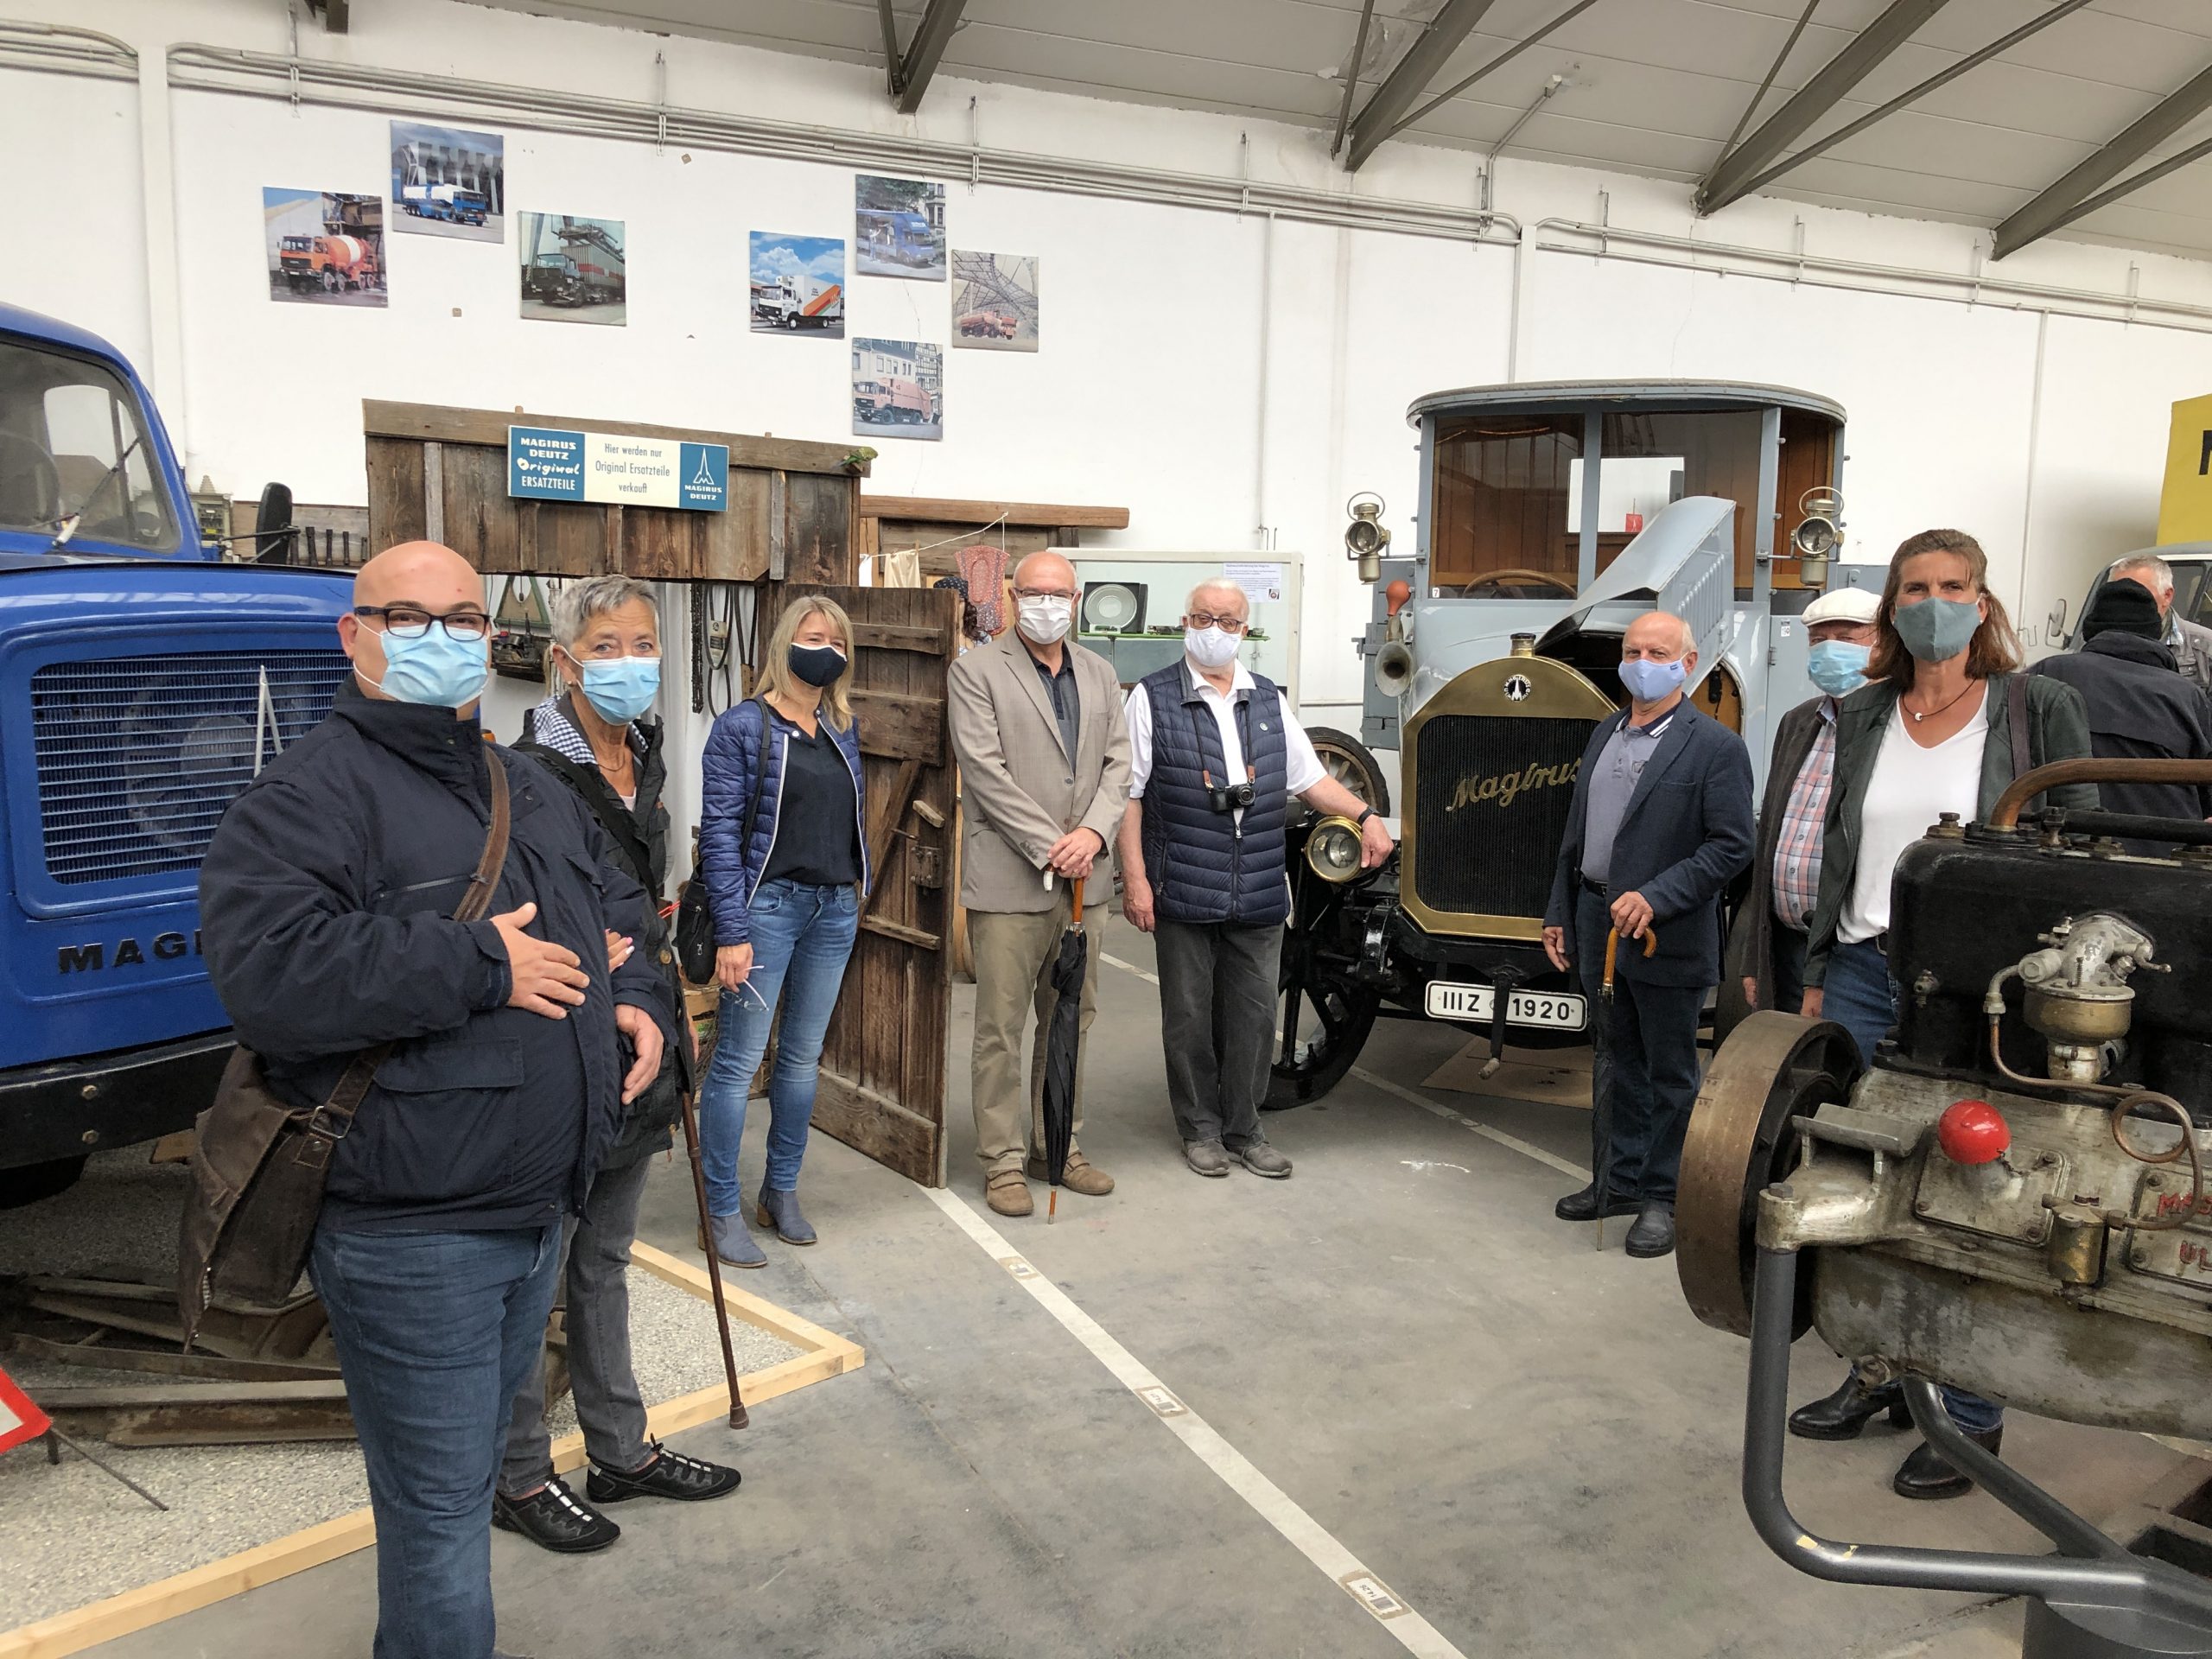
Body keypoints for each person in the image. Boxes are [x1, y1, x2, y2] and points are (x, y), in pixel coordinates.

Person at [199, 542, 678, 1659]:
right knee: (439, 1532)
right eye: (408, 617)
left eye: (463, 620)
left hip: (532, 1215)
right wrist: (478, 967)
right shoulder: (306, 797)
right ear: (352, 634)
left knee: (462, 1490)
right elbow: (270, 973)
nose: (441, 638)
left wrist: (640, 995)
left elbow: (624, 909)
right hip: (415, 1238)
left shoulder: (522, 787)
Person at [1795, 527, 2095, 1500]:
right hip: (1857, 967)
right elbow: (1827, 850)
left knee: (1969, 1194)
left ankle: (1968, 1413)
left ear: (1981, 601)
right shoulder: (1864, 713)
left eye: (1951, 585)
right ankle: (1880, 1369)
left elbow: (2076, 841)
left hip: (1974, 989)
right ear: (1891, 608)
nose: (1933, 601)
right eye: (1914, 587)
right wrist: (1810, 971)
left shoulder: (2034, 707)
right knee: (1860, 1183)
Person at [493, 575, 740, 1554]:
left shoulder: (645, 752)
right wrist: (597, 947)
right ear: (564, 659)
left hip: (645, 1039)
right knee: (534, 1267)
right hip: (564, 1048)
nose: (629, 659)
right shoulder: (523, 774)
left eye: (643, 642)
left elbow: (640, 897)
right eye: (606, 644)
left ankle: (619, 1449)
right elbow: (527, 913)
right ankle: (516, 1473)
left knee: (604, 1259)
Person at [1116, 580, 1393, 1179]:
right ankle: (1200, 1129)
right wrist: (1134, 879)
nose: (1214, 628)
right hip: (1184, 886)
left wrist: (1365, 816)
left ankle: (1245, 1128)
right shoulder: (1152, 698)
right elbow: (1130, 796)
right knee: (1188, 1017)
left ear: (1245, 630)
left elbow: (1311, 780)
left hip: (1260, 889)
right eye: (1204, 617)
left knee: (1253, 1015)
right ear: (1185, 621)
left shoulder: (1266, 699)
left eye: (1228, 620)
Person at [1541, 611, 1754, 1260]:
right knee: (1614, 1062)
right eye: (1633, 650)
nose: (1642, 660)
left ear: (1688, 664)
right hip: (1594, 920)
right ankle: (1618, 1182)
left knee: (1670, 1073)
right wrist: (1559, 909)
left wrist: (1658, 897)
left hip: (1665, 934)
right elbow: (1578, 833)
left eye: (1657, 651)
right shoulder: (1606, 731)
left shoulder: (1717, 748)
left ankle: (1663, 1197)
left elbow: (1732, 845)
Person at [947, 550, 1131, 1218]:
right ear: (1012, 596)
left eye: (1058, 593)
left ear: (1077, 599)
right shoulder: (975, 671)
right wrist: (1052, 845)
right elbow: (985, 770)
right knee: (999, 1027)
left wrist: (1094, 835)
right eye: (1033, 592)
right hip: (1011, 876)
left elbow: (1119, 765)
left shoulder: (1102, 674)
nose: (1046, 604)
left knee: (1071, 1022)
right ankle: (1001, 1162)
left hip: (1088, 878)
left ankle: (1060, 1147)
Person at [696, 594, 868, 1264]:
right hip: (767, 910)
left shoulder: (842, 726)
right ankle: (718, 1210)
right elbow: (718, 834)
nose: (824, 647)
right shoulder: (742, 726)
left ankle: (782, 1192)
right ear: (784, 643)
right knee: (739, 1063)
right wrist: (732, 930)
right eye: (812, 635)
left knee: (801, 1060)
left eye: (836, 639)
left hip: (833, 910)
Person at [1738, 587, 1881, 1015]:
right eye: (1819, 640)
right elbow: (1769, 842)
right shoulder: (1800, 722)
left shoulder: (1893, 725)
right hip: (1785, 947)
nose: (1829, 649)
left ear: (1885, 643)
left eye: (1847, 638)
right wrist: (1754, 956)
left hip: (1853, 954)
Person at [2032, 575, 2212, 845]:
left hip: (2057, 852)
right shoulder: (2188, 697)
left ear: (2089, 630)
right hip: (2163, 862)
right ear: (2155, 633)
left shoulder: (2043, 676)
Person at [2108, 553, 2212, 694]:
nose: (2127, 602)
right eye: (2118, 595)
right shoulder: (2094, 644)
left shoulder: (2205, 648)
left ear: (2167, 596)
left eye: (2138, 594)